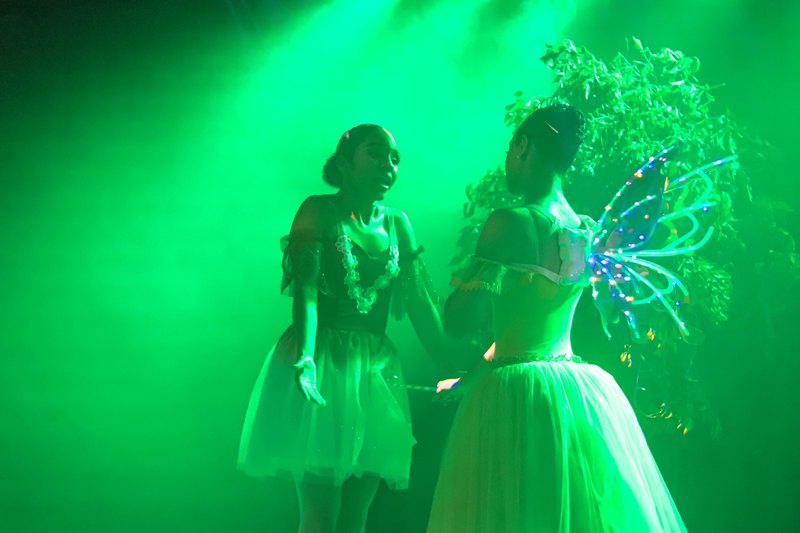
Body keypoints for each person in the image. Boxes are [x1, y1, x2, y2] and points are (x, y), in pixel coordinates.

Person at [427, 103, 688, 532]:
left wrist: (457, 283)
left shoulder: (510, 222)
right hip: (576, 393)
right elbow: (524, 334)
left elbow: (459, 323)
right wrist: (467, 380)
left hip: (515, 399)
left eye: (510, 150)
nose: (508, 160)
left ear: (523, 145)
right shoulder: (587, 230)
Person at [238, 124, 452, 533]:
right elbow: (306, 291)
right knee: (320, 516)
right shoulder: (318, 210)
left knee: (356, 517)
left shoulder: (398, 223)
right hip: (324, 361)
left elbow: (422, 308)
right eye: (376, 153)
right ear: (343, 163)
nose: (388, 165)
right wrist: (305, 356)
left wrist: (456, 365)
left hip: (374, 371)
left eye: (394, 159)